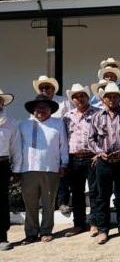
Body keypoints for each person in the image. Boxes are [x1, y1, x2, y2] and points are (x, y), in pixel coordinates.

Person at [88, 83, 120, 244]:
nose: (112, 99)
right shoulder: (97, 116)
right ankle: (103, 230)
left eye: (115, 96)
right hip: (104, 161)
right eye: (108, 96)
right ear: (103, 99)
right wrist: (98, 152)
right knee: (102, 196)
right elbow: (91, 139)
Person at [16, 95, 68, 244]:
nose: (41, 110)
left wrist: (64, 163)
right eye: (38, 107)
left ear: (50, 110)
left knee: (49, 203)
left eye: (45, 107)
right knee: (30, 204)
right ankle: (31, 233)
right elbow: (18, 148)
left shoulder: (58, 124)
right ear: (33, 109)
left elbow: (63, 145)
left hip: (51, 169)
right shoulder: (23, 125)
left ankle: (46, 231)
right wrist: (17, 169)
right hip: (28, 169)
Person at [63, 84, 100, 237]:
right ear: (72, 100)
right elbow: (64, 138)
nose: (80, 99)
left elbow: (103, 135)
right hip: (74, 158)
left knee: (94, 192)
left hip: (93, 157)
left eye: (82, 95)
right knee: (77, 193)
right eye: (76, 97)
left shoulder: (98, 113)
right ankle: (79, 224)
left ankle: (94, 223)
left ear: (87, 96)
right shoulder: (67, 116)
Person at [0, 89, 21, 251]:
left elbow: (15, 149)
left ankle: (2, 237)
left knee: (1, 202)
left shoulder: (11, 123)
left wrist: (16, 169)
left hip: (2, 164)